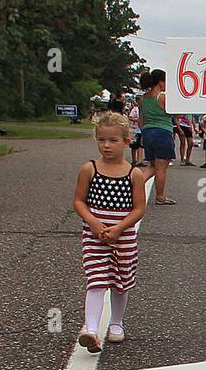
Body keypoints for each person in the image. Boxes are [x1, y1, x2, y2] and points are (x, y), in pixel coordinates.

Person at [72, 111, 146, 353]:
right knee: (96, 280)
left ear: (126, 141)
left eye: (113, 140)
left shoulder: (134, 174)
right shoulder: (89, 169)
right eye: (101, 140)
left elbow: (139, 208)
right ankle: (91, 330)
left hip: (123, 238)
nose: (106, 145)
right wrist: (93, 222)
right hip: (94, 236)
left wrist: (119, 228)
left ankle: (116, 323)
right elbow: (79, 201)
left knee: (120, 281)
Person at [137, 70, 177, 205]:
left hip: (148, 132)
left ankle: (134, 186)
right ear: (160, 82)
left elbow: (141, 121)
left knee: (153, 165)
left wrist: (143, 133)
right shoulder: (162, 97)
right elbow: (176, 114)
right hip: (163, 133)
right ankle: (160, 196)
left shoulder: (143, 99)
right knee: (161, 168)